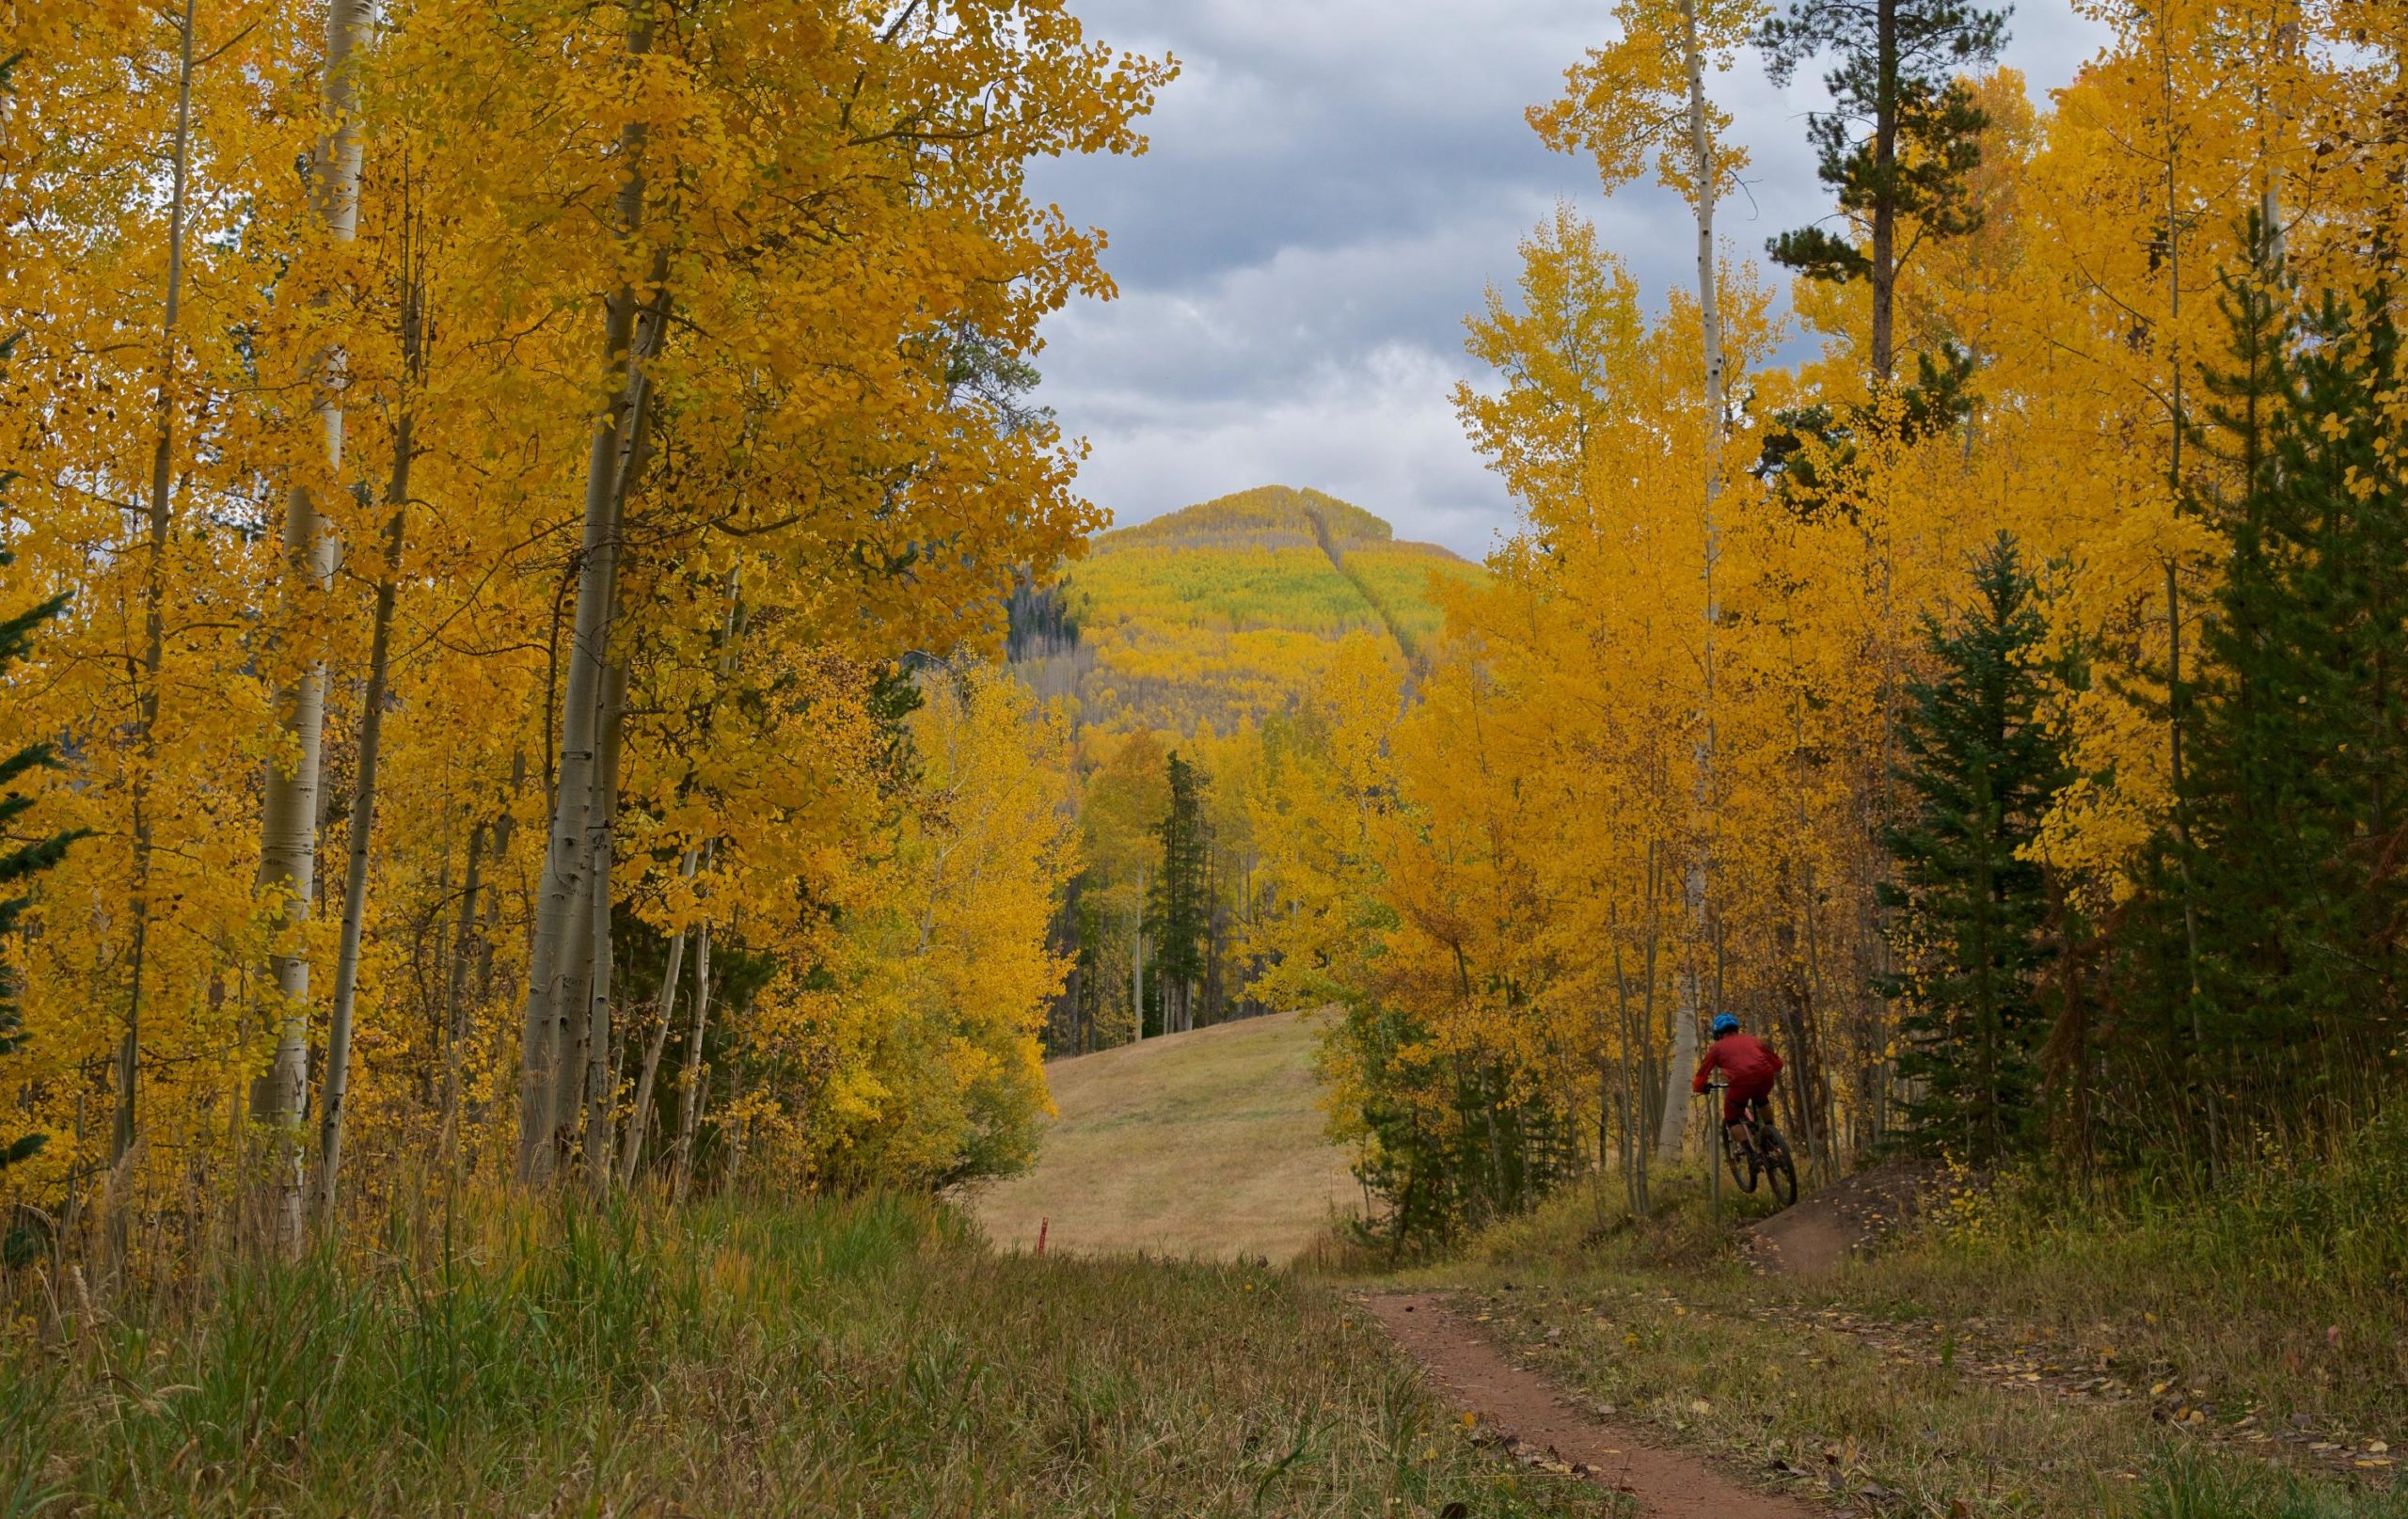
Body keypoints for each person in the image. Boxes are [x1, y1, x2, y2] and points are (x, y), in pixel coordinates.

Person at [1691, 1013, 1783, 1149]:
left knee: (1732, 1118)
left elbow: (1701, 1075)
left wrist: (1699, 1087)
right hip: (1765, 1076)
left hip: (1741, 1082)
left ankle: (1750, 1153)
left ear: (1717, 1034)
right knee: (1762, 1099)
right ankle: (1772, 1135)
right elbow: (1778, 1063)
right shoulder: (1753, 1040)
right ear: (1736, 1029)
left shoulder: (1716, 1049)